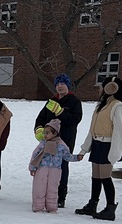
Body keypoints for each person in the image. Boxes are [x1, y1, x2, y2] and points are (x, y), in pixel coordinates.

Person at [75, 76, 122, 221]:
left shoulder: (118, 106)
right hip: (97, 144)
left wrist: (114, 153)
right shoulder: (101, 105)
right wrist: (84, 149)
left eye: (102, 86)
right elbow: (92, 130)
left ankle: (110, 209)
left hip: (108, 145)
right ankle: (92, 204)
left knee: (105, 177)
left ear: (109, 88)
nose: (99, 88)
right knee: (96, 177)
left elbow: (119, 131)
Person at [33, 74, 83, 208]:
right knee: (46, 166)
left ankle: (60, 196)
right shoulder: (51, 101)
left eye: (62, 84)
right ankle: (45, 194)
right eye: (57, 84)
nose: (60, 86)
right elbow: (41, 118)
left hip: (65, 139)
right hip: (48, 140)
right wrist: (39, 129)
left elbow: (75, 120)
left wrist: (61, 112)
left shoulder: (74, 101)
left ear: (68, 85)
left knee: (62, 166)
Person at [29, 119, 83, 213]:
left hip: (55, 170)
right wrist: (32, 167)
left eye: (47, 133)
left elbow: (67, 156)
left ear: (55, 133)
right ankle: (38, 206)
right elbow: (35, 155)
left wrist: (76, 157)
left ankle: (51, 207)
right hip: (42, 168)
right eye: (44, 132)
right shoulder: (43, 143)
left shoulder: (61, 145)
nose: (45, 135)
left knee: (52, 188)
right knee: (39, 187)